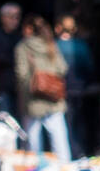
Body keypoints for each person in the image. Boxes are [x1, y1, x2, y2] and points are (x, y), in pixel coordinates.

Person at [15, 15, 71, 162]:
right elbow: (62, 68)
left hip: (34, 101)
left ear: (28, 29)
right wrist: (50, 81)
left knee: (33, 144)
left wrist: (35, 84)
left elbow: (21, 75)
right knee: (60, 142)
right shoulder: (50, 44)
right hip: (54, 98)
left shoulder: (22, 47)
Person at [54, 15, 95, 158]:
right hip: (80, 87)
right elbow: (89, 67)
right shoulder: (81, 45)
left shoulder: (54, 45)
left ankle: (70, 152)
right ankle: (81, 151)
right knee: (79, 121)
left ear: (58, 28)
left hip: (62, 89)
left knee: (67, 123)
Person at [0, 2, 22, 117]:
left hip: (18, 86)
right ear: (3, 18)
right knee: (5, 117)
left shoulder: (20, 36)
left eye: (17, 17)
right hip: (2, 85)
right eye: (12, 17)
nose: (15, 20)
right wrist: (18, 59)